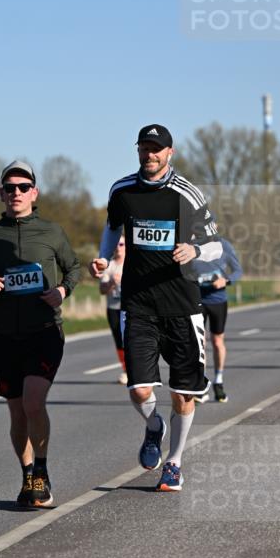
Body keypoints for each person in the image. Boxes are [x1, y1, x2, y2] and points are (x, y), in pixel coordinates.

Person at [90, 124, 222, 492]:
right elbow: (112, 227)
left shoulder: (188, 194)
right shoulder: (122, 190)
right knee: (139, 390)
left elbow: (217, 246)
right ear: (137, 151)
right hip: (139, 303)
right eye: (144, 148)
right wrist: (103, 259)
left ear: (170, 153)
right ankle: (153, 427)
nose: (150, 155)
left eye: (156, 149)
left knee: (184, 394)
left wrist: (195, 250)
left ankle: (175, 462)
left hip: (182, 305)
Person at [0, 160, 80, 508]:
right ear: (1, 193)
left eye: (22, 187)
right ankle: (28, 474)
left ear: (34, 193)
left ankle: (41, 470)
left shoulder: (52, 231)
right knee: (16, 414)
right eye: (9, 188)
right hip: (6, 337)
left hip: (43, 332)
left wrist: (63, 291)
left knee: (33, 402)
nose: (16, 193)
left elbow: (74, 267)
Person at [190, 236, 243, 404]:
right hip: (197, 300)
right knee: (200, 343)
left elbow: (237, 270)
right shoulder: (191, 247)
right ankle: (202, 384)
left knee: (217, 340)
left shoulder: (224, 245)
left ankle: (218, 381)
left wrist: (225, 280)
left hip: (218, 300)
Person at [99, 236, 127, 384]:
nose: (118, 248)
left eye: (121, 244)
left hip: (130, 308)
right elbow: (102, 290)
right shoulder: (109, 266)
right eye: (116, 245)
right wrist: (111, 282)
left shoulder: (132, 264)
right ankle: (126, 370)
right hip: (113, 307)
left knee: (131, 339)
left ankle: (136, 369)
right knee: (119, 340)